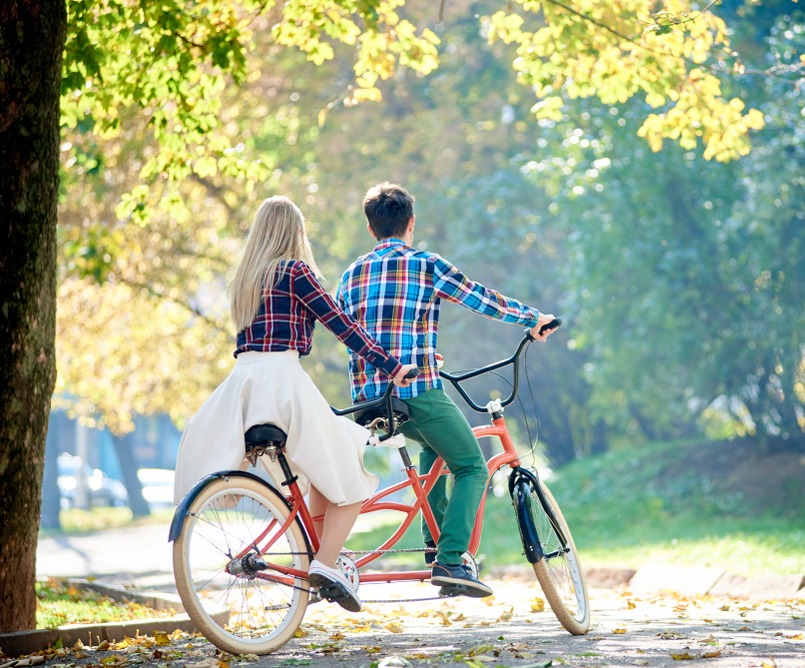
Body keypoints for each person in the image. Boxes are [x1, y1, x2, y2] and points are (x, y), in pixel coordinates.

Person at [173, 195, 416, 612]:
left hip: (243, 389)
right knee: (351, 477)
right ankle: (326, 566)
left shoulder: (245, 280)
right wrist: (392, 367)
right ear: (294, 232)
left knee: (322, 474)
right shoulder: (296, 272)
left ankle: (323, 559)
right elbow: (344, 326)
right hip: (282, 384)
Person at [335, 182, 557, 597]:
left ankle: (435, 545)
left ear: (370, 229)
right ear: (411, 223)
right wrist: (533, 318)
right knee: (472, 465)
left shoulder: (351, 273)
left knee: (434, 448)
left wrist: (417, 356)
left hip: (367, 398)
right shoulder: (426, 265)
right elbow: (481, 299)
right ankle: (452, 560)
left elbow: (351, 332)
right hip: (416, 392)